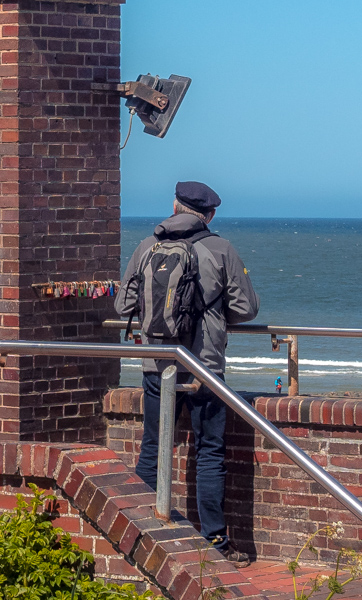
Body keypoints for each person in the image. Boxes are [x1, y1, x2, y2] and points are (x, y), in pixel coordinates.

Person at [115, 180, 259, 566]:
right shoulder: (221, 248)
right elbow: (247, 309)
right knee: (209, 451)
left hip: (155, 365)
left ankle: (141, 534)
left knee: (152, 448)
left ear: (174, 206)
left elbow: (122, 303)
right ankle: (214, 540)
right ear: (209, 215)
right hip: (203, 369)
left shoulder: (148, 247)